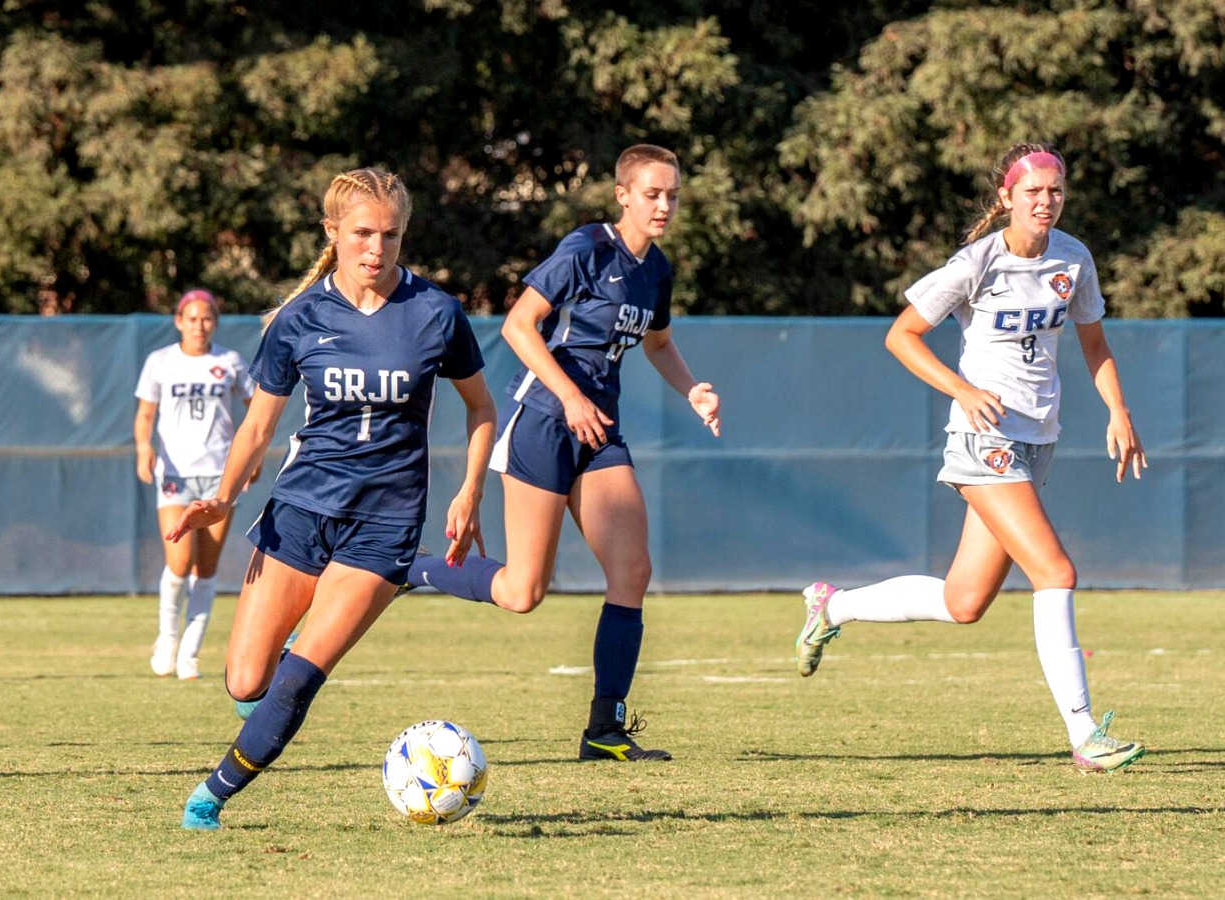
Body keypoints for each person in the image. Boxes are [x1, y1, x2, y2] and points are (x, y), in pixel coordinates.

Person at [793, 142, 1148, 773]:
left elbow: (1095, 343)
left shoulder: (1074, 258)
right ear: (1006, 197)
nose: (1046, 201)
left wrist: (1119, 411)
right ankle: (1085, 734)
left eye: (1056, 190)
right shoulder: (976, 263)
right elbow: (900, 335)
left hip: (1039, 438)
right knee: (1055, 572)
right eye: (1033, 191)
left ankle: (833, 605)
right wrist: (963, 389)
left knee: (964, 603)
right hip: (984, 438)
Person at [169, 168, 496, 830]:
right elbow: (258, 428)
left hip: (385, 524)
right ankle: (304, 634)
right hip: (301, 512)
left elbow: (482, 408)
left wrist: (469, 489)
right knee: (244, 683)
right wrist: (222, 498)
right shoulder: (298, 319)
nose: (376, 249)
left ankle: (213, 793)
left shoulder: (436, 313)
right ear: (333, 234)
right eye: (362, 234)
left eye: (391, 235)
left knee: (296, 682)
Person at [403, 144, 721, 763]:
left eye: (673, 194)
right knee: (524, 592)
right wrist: (571, 396)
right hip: (546, 422)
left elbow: (657, 344)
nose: (664, 204)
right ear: (623, 194)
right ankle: (406, 568)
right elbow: (520, 325)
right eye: (652, 193)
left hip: (599, 431)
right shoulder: (587, 248)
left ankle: (603, 731)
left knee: (632, 572)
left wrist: (693, 390)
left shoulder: (656, 269)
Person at [133, 288, 255, 680]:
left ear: (215, 323)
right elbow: (145, 414)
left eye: (207, 319)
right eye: (192, 318)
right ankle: (168, 637)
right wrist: (143, 448)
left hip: (219, 476)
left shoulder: (229, 361)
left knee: (206, 567)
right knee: (179, 562)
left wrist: (250, 457)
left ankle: (190, 651)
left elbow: (256, 412)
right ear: (178, 321)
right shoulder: (160, 362)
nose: (199, 326)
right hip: (175, 474)